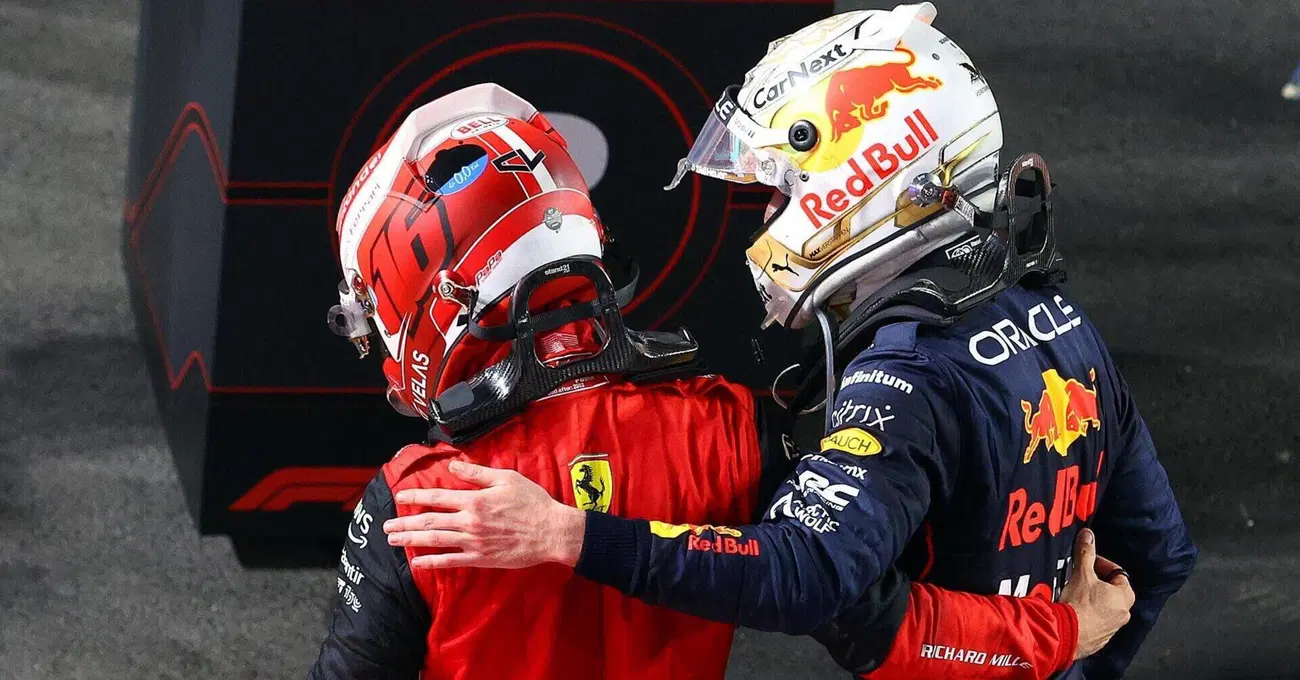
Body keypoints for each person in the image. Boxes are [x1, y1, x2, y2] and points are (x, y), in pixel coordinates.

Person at [380, 5, 1197, 680]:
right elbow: (1158, 554)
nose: (770, 218)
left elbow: (806, 575)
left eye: (781, 189)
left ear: (864, 172)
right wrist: (1075, 651)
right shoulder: (1064, 322)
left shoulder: (902, 379)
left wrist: (569, 534)